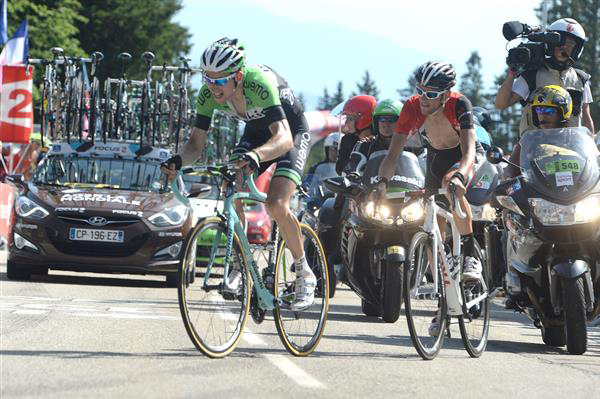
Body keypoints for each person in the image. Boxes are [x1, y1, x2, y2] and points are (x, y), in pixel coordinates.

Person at [161, 37, 316, 310]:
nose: (212, 87)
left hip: (289, 132)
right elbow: (196, 144)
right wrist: (177, 161)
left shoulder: (258, 83)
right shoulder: (208, 94)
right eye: (207, 79)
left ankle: (304, 272)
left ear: (239, 76)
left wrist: (256, 156)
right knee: (231, 185)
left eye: (220, 81)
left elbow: (283, 139)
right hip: (256, 133)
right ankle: (239, 264)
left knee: (275, 204)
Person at [376, 62, 482, 336]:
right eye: (421, 91)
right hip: (435, 157)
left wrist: (460, 174)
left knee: (451, 185)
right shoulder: (412, 107)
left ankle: (470, 254)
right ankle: (444, 299)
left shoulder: (460, 105)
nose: (424, 98)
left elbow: (469, 151)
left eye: (432, 94)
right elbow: (392, 155)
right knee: (433, 224)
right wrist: (382, 183)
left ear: (446, 94)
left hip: (463, 156)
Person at [495, 18, 594, 135]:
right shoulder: (532, 76)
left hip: (570, 149)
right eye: (559, 42)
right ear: (550, 44)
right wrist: (512, 71)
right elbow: (501, 104)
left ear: (577, 49)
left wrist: (591, 146)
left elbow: (586, 118)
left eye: (570, 44)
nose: (564, 47)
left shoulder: (581, 79)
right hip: (535, 149)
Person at [504, 85, 573, 179]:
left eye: (549, 111)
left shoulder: (576, 139)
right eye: (539, 110)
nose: (543, 116)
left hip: (577, 191)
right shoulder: (529, 140)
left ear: (563, 113)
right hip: (538, 192)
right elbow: (510, 172)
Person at [343, 99, 402, 175]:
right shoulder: (365, 145)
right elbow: (352, 167)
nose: (386, 124)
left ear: (400, 122)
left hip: (405, 186)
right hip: (374, 186)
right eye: (382, 119)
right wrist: (353, 175)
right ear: (376, 122)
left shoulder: (410, 146)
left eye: (391, 119)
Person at [336, 95, 377, 175]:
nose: (346, 123)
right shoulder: (347, 141)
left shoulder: (380, 140)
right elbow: (340, 169)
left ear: (363, 119)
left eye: (350, 119)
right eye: (346, 118)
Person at [302, 132, 343, 207]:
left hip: (340, 204)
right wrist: (306, 187)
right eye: (333, 149)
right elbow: (308, 183)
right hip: (319, 204)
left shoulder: (347, 168)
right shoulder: (317, 167)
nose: (336, 153)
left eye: (340, 150)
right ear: (327, 149)